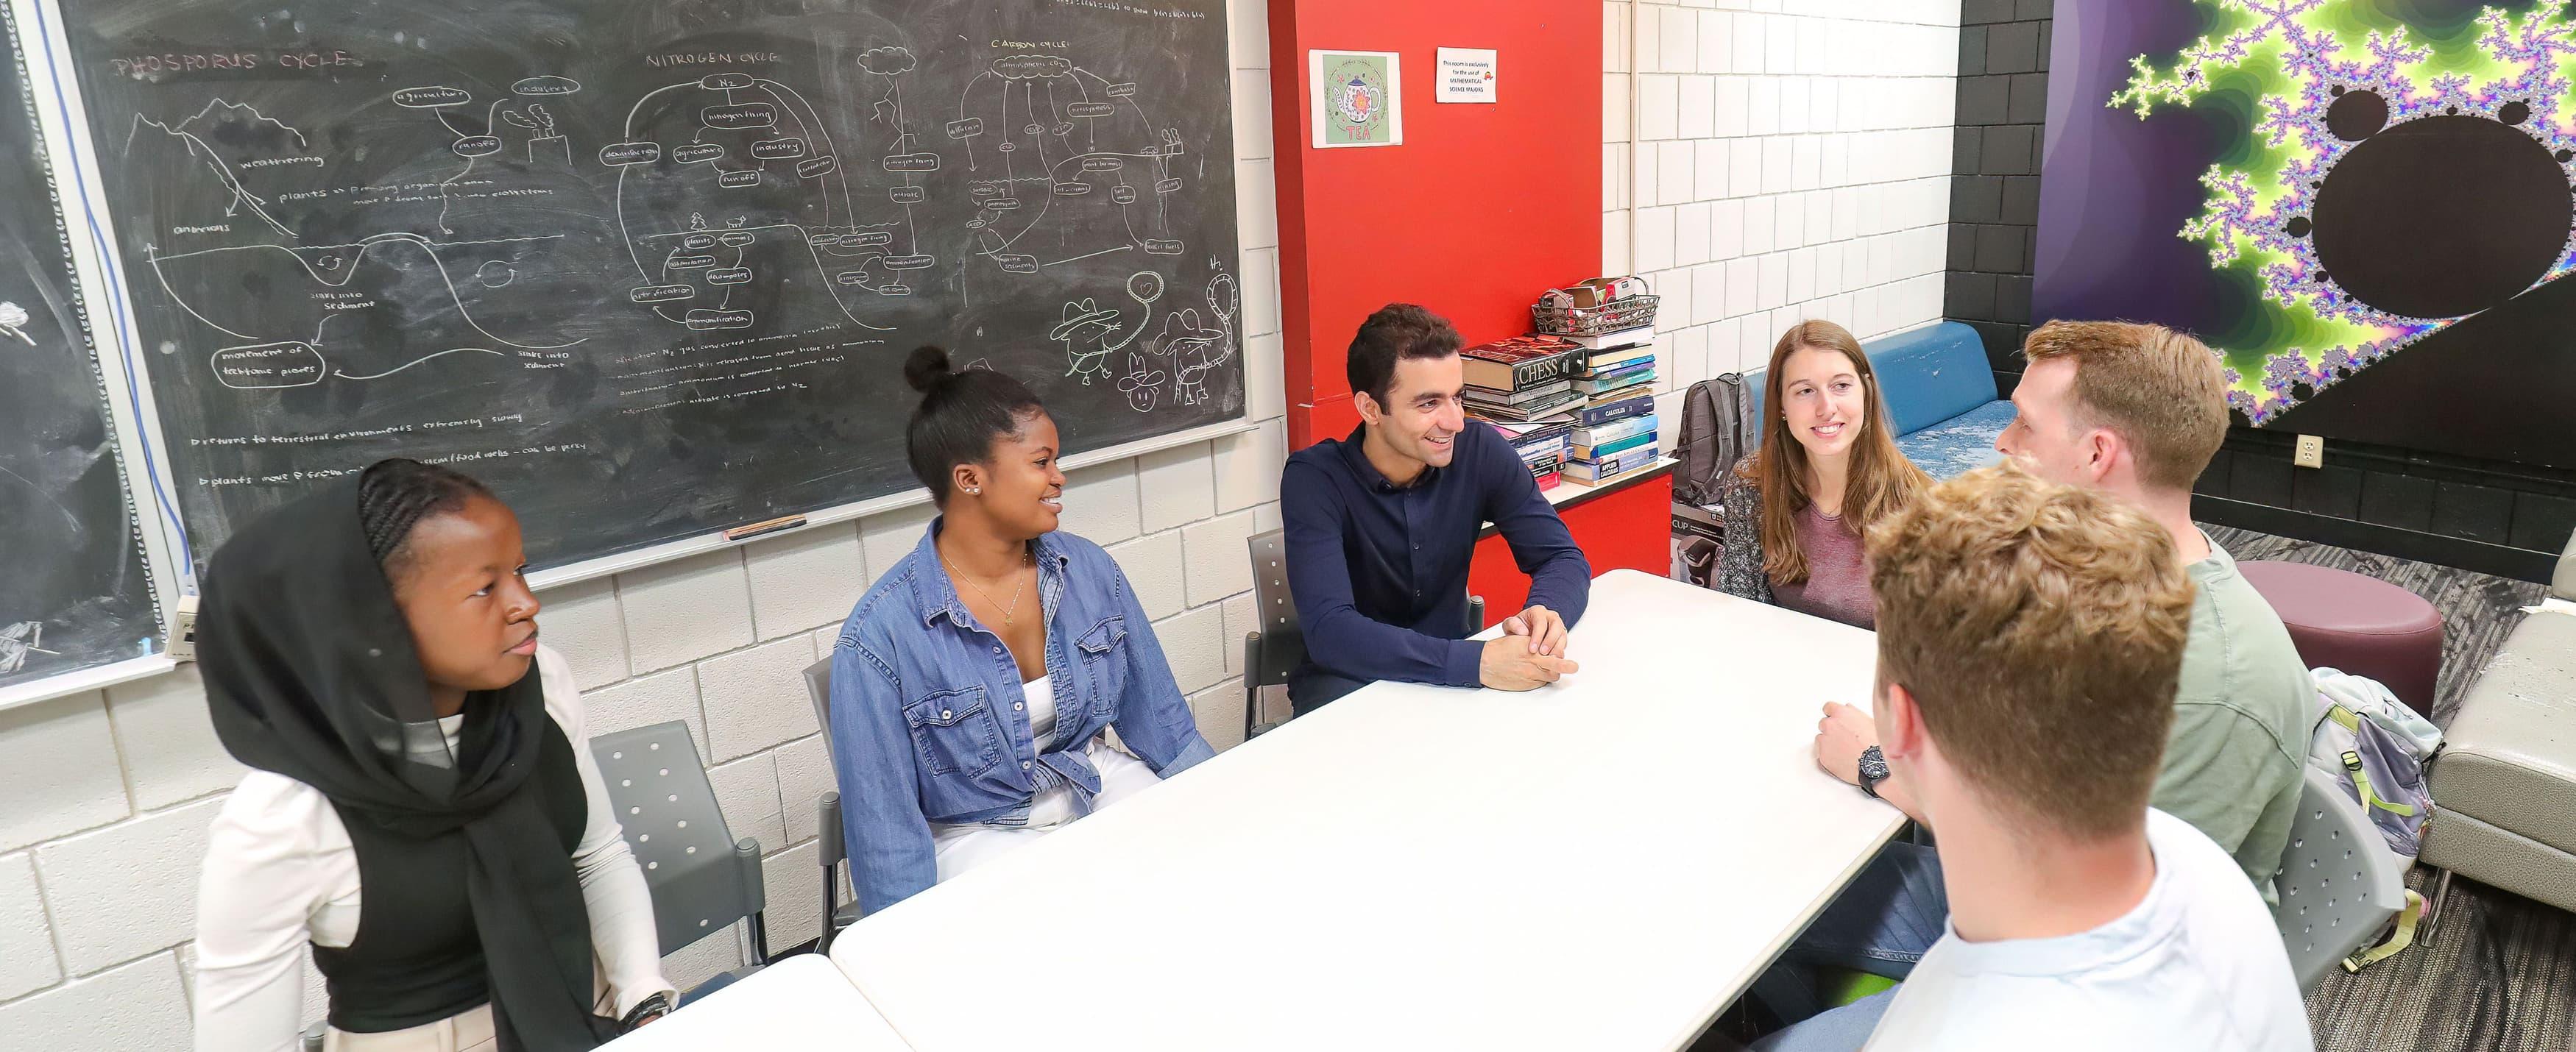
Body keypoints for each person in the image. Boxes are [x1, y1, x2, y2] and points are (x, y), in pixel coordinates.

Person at [1772, 321, 2314, 1011]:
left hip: (2096, 985)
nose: (2002, 441)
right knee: (1755, 887)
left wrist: (1881, 766)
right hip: (2024, 892)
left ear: (2096, 454)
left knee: (1769, 930)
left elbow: (2074, 902)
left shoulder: (2213, 682)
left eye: (2025, 425)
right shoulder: (2099, 585)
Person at [194, 460, 673, 1052]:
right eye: (485, 588)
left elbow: (598, 855)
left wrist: (644, 1002)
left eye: (521, 572)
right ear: (373, 620)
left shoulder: (540, 688)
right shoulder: (282, 817)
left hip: (591, 1020)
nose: (526, 603)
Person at [828, 347, 1214, 914]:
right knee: (1053, 931)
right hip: (976, 832)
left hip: (1091, 784)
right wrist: (904, 951)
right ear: (970, 479)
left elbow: (1165, 729)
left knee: (1195, 878)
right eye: (1041, 463)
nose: (1059, 477)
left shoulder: (1088, 571)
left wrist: (1226, 809)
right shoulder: (879, 637)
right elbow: (885, 833)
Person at [1278, 304, 1590, 712]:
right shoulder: (1314, 479)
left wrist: (1547, 613)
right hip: (1348, 689)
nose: (1455, 421)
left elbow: (1562, 558)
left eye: (1457, 398)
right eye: (1428, 404)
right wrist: (1477, 663)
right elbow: (1331, 633)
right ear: (1370, 409)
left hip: (1449, 685)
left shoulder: (1479, 450)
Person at [1717, 320, 1933, 628]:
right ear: (1781, 405)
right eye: (1805, 391)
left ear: (1866, 392)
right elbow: (1740, 611)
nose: (1826, 407)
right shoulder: (1751, 485)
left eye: (1841, 386)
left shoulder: (1922, 507)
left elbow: (1931, 651)